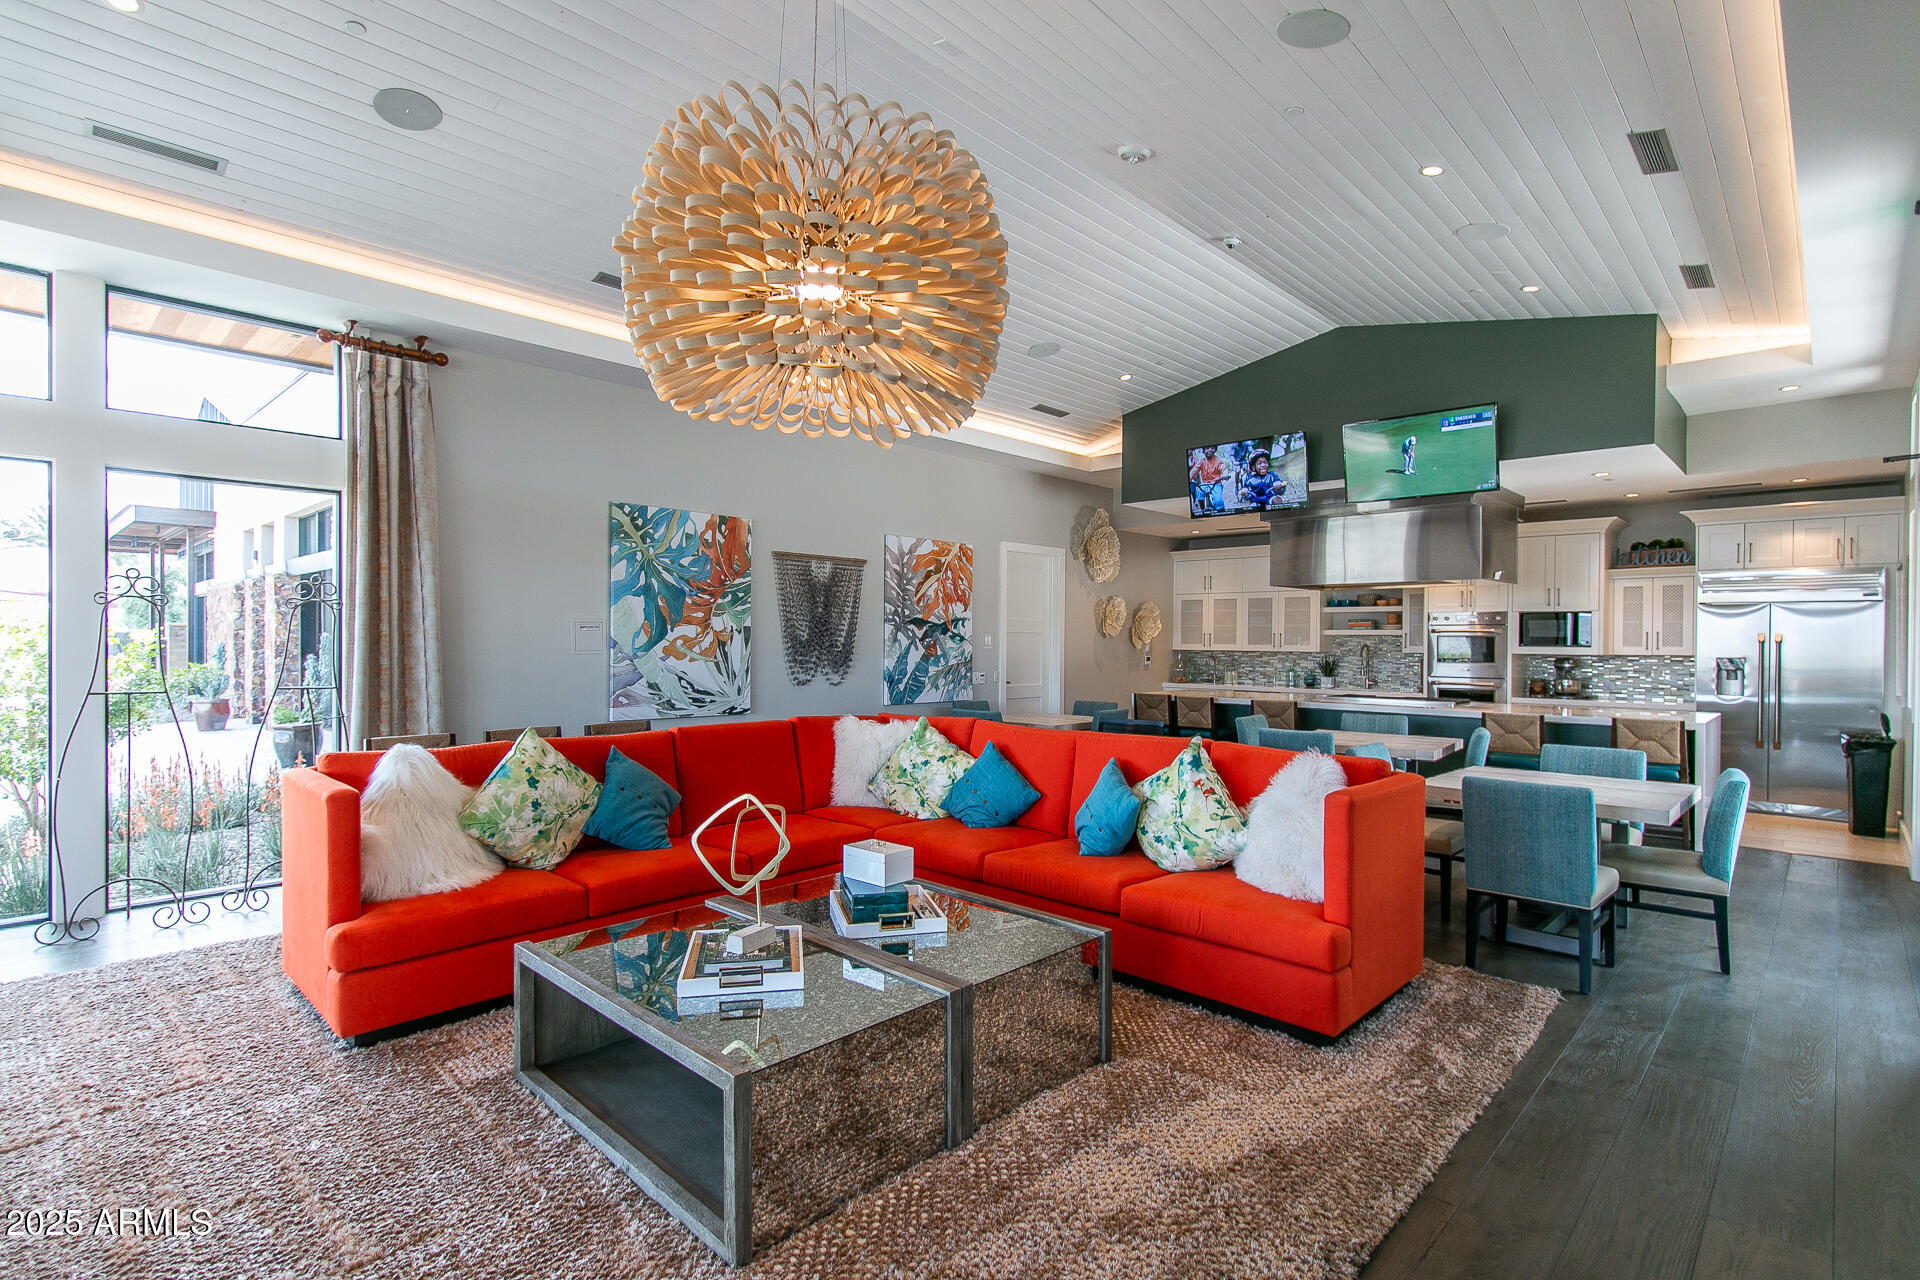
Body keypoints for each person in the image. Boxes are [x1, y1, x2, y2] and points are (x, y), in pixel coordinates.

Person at [1190, 446, 1227, 511]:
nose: (1210, 450)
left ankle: (1221, 511)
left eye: (1212, 448)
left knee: (1218, 500)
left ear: (1215, 450)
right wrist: (1190, 477)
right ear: (1203, 451)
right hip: (1205, 484)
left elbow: (1223, 468)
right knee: (1199, 493)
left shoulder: (1217, 460)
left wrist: (1225, 475)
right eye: (1207, 448)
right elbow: (1194, 470)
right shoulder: (1201, 461)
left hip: (1216, 483)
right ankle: (1203, 509)